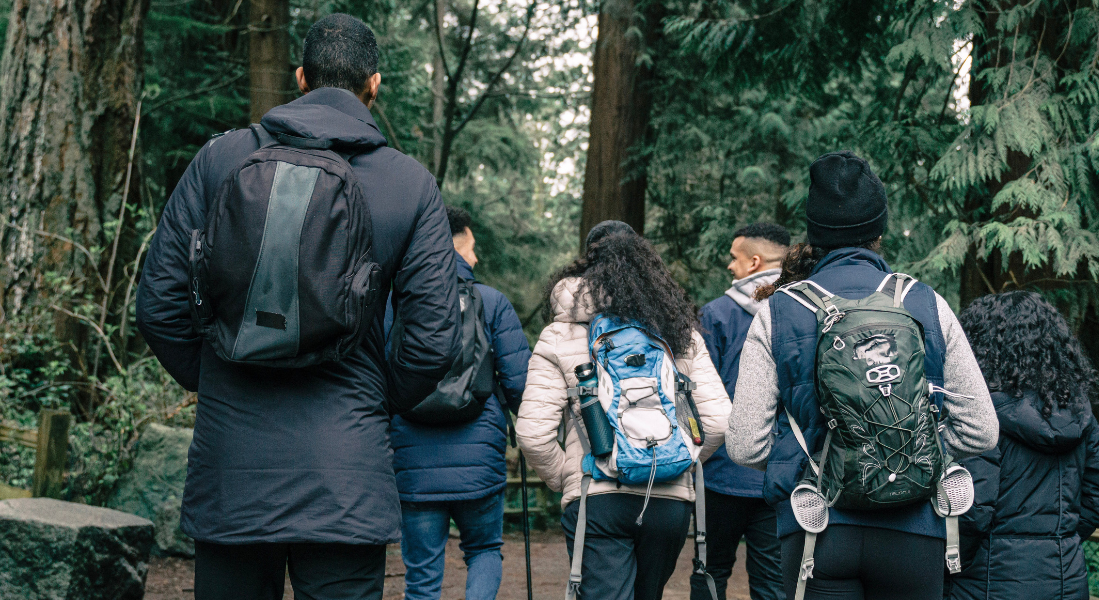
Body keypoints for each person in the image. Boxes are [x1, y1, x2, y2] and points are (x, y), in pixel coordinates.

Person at [136, 14, 461, 600]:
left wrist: (220, 374)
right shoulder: (408, 184)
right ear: (375, 84)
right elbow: (434, 338)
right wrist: (372, 399)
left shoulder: (219, 161)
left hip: (232, 471)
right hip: (346, 476)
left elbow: (160, 306)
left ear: (301, 78)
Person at [726, 151, 999, 600]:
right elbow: (982, 431)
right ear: (879, 228)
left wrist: (820, 462)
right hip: (916, 527)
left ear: (814, 232)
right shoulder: (924, 302)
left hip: (818, 529)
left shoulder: (779, 312)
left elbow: (744, 444)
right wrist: (909, 449)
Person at [516, 221, 732, 600]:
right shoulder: (680, 334)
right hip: (669, 501)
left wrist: (568, 476)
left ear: (585, 264)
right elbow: (717, 423)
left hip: (598, 496)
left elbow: (533, 435)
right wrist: (677, 460)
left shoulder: (560, 335)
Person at [387, 206, 531, 600]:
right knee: (484, 550)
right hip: (479, 457)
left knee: (420, 576)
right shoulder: (492, 302)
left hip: (415, 463)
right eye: (471, 248)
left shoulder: (397, 302)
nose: (476, 258)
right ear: (455, 246)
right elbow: (520, 384)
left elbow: (380, 375)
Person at [946, 291, 1099, 600]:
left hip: (988, 581)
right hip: (1066, 580)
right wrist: (1058, 540)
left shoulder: (980, 416)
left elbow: (973, 511)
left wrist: (956, 566)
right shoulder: (1079, 412)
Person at [694, 223, 790, 600]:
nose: (729, 266)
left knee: (710, 571)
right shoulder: (802, 311)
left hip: (720, 472)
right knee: (772, 581)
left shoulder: (715, 315)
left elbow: (697, 396)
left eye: (734, 258)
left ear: (753, 262)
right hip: (779, 472)